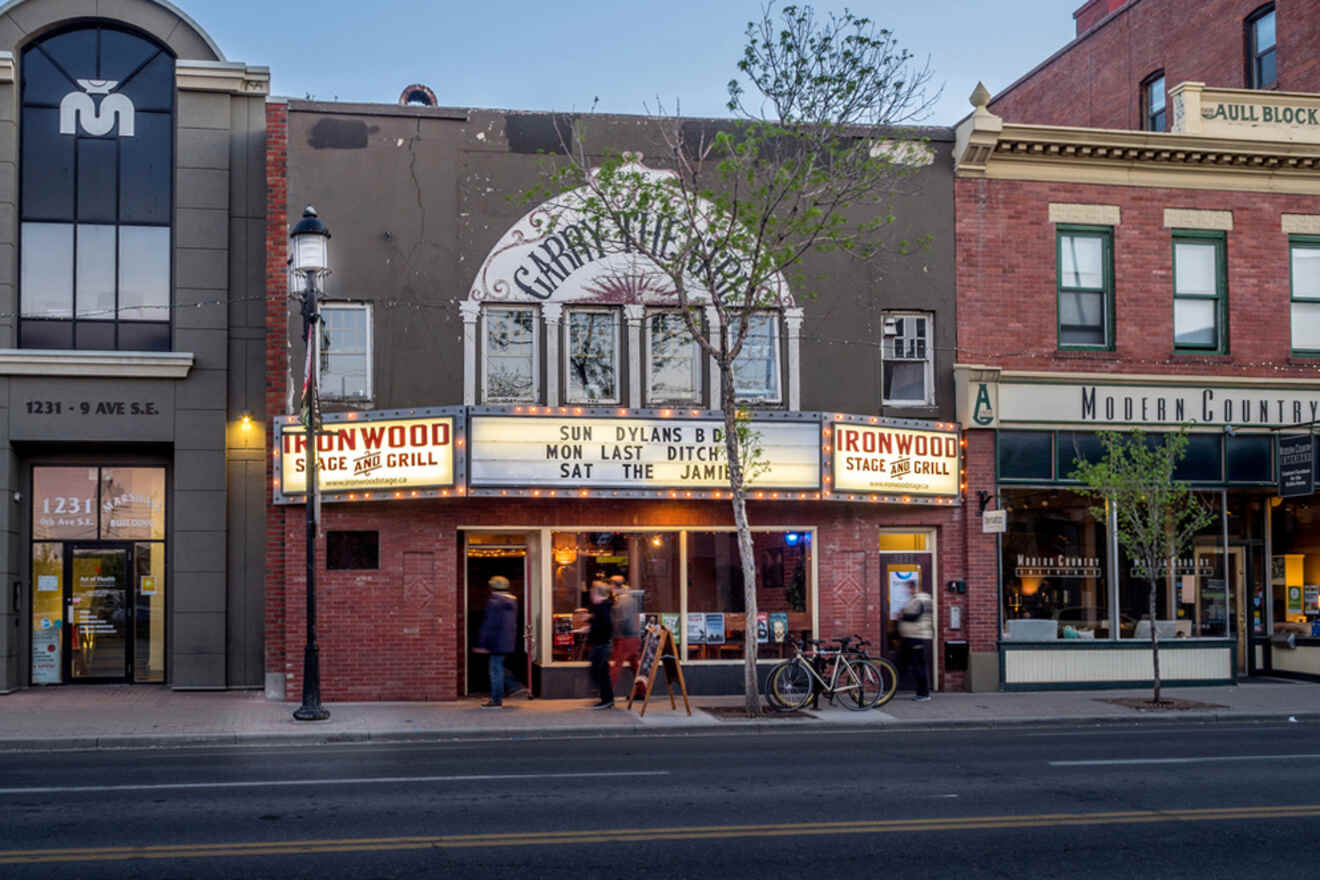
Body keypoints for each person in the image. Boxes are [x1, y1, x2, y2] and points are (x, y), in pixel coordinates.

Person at [474, 575, 517, 708]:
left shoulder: (495, 602)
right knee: (499, 667)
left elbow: (489, 624)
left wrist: (482, 644)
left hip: (496, 642)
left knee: (495, 670)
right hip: (507, 641)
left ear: (493, 587)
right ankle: (514, 686)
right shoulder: (512, 601)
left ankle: (497, 699)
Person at [898, 580, 933, 702]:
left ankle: (924, 693)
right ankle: (892, 689)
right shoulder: (913, 599)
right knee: (901, 663)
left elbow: (916, 616)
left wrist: (902, 616)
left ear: (914, 588)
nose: (907, 591)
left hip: (918, 637)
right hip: (910, 637)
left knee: (919, 666)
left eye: (908, 588)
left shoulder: (922, 599)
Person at [583, 580, 615, 709]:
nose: (591, 596)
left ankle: (606, 699)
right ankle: (606, 698)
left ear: (597, 593)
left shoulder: (603, 607)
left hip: (602, 644)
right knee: (600, 672)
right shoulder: (603, 606)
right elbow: (601, 622)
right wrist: (590, 619)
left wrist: (590, 627)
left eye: (592, 593)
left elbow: (604, 625)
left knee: (600, 672)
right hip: (601, 644)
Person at [608, 575, 643, 692]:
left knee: (617, 665)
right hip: (633, 636)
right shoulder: (630, 598)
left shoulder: (622, 600)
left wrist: (614, 633)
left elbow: (623, 620)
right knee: (635, 665)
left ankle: (607, 692)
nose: (610, 589)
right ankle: (642, 691)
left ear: (614, 586)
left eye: (611, 586)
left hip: (625, 637)